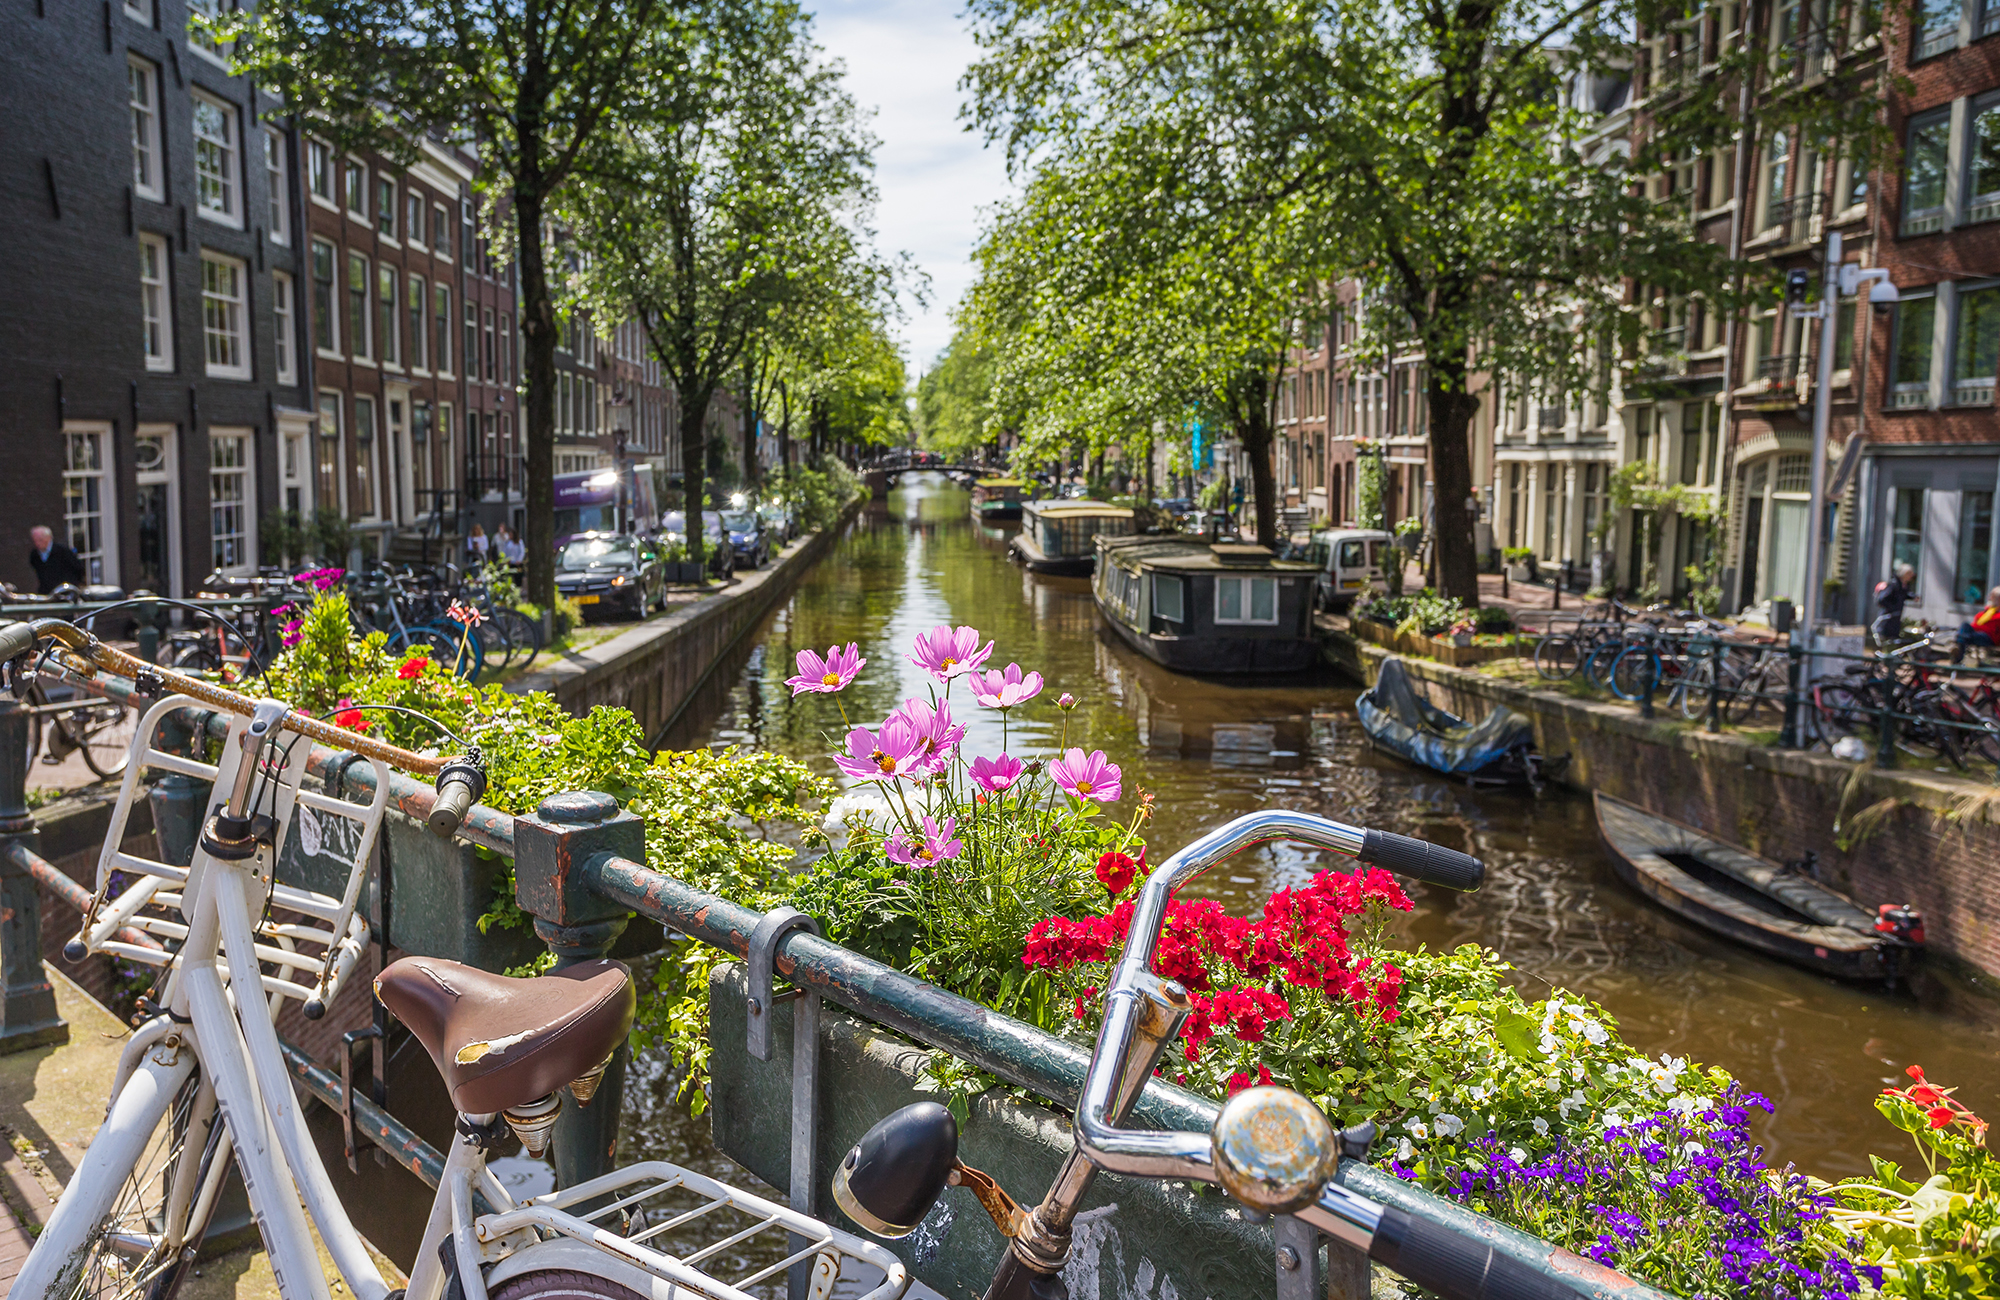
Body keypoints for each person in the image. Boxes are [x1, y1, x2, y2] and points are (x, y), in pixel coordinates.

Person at [27, 526, 85, 594]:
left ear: (48, 538)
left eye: (40, 540)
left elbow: (78, 568)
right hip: (47, 592)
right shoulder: (35, 555)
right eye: (35, 541)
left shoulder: (63, 551)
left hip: (64, 591)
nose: (37, 544)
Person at [1872, 561, 1917, 648]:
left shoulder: (1903, 586)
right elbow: (1881, 600)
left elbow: (1903, 594)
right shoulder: (1893, 585)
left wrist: (1913, 597)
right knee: (1887, 639)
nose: (1911, 576)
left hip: (1896, 618)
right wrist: (1893, 608)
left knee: (1894, 638)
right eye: (1909, 574)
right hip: (1888, 617)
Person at [1953, 585, 2000, 662]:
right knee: (1965, 625)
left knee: (1967, 637)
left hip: (1989, 638)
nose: (1991, 598)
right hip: (1977, 632)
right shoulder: (1989, 611)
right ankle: (1959, 645)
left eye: (1994, 597)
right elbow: (1976, 621)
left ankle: (1958, 651)